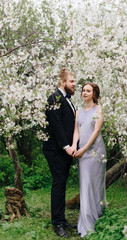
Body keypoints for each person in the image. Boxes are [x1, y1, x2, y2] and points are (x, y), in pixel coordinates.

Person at [43, 68, 76, 238]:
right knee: (58, 184)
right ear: (62, 82)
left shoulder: (67, 100)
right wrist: (66, 146)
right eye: (71, 81)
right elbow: (56, 125)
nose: (74, 83)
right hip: (55, 149)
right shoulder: (54, 98)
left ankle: (61, 219)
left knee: (61, 184)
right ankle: (57, 223)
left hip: (65, 150)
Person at [70, 83, 107, 237]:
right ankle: (86, 222)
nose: (84, 93)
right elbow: (76, 131)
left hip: (95, 152)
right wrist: (74, 145)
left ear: (94, 93)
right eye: (83, 90)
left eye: (88, 91)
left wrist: (84, 149)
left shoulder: (99, 109)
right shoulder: (78, 111)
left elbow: (96, 130)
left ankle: (98, 218)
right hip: (81, 153)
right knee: (85, 185)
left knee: (96, 185)